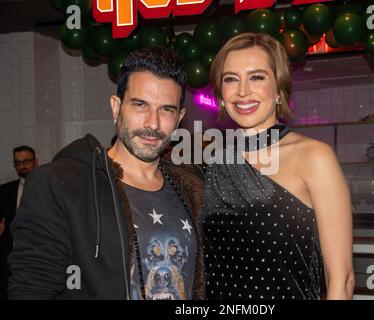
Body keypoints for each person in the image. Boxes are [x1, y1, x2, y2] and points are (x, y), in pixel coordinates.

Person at [8, 48, 204, 300]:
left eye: (166, 109)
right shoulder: (59, 185)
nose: (153, 123)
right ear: (116, 107)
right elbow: (31, 290)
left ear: (179, 118)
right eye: (140, 105)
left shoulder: (191, 189)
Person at [202, 33, 354, 300]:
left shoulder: (314, 157)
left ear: (279, 90)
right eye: (230, 79)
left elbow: (342, 279)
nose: (242, 91)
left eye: (257, 77)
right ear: (221, 95)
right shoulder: (214, 161)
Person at [0, 146, 37, 299]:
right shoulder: (4, 191)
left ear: (35, 162)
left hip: (39, 255)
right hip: (10, 258)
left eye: (27, 161)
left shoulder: (49, 187)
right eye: (18, 162)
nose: (22, 166)